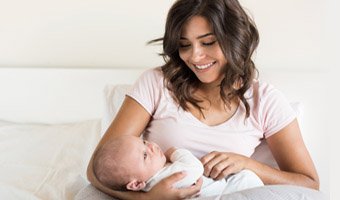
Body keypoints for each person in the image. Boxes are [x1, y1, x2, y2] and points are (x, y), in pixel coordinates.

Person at [87, 0, 320, 199]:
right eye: (184, 45)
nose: (195, 56)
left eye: (208, 42)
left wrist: (248, 165)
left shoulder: (265, 101)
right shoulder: (157, 84)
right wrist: (149, 198)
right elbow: (96, 171)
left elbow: (309, 185)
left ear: (234, 39)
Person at [92, 135, 264, 197]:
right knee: (247, 178)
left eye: (144, 142)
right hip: (223, 193)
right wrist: (175, 153)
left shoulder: (152, 183)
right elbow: (195, 169)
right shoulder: (165, 178)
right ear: (136, 184)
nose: (151, 146)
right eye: (145, 155)